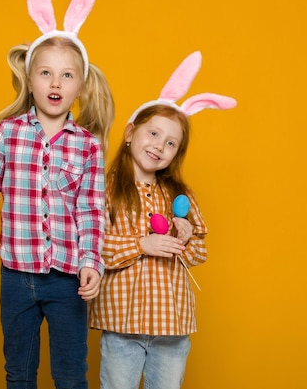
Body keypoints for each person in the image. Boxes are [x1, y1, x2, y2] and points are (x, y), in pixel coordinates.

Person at [0, 0, 114, 389]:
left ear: (80, 85)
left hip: (67, 279)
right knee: (19, 373)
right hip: (17, 274)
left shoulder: (88, 148)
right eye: (46, 73)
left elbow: (93, 211)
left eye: (66, 75)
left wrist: (91, 263)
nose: (56, 83)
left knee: (69, 374)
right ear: (31, 80)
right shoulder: (8, 133)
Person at [89, 51, 236, 389]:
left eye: (170, 143)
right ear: (130, 133)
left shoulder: (179, 194)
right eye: (153, 134)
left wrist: (185, 240)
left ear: (175, 154)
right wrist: (142, 244)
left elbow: (201, 253)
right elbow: (93, 245)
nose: (159, 146)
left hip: (173, 326)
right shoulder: (105, 188)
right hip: (122, 324)